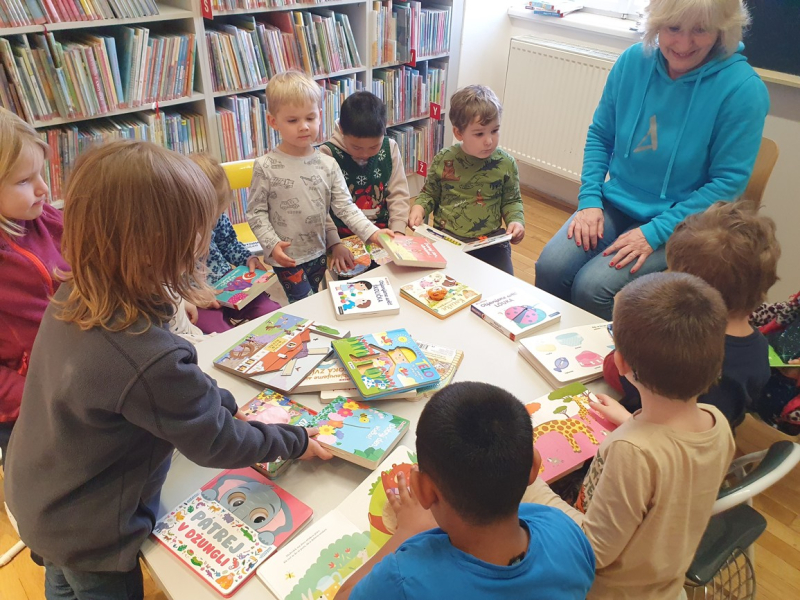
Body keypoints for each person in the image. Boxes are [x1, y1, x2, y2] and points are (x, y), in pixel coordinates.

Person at [4, 140, 332, 600]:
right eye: (197, 232)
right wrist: (294, 441)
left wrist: (223, 402)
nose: (204, 243)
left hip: (39, 497)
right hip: (92, 530)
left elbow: (175, 383)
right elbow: (216, 441)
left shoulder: (78, 291)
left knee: (61, 583)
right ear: (157, 246)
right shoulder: (144, 354)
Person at [535, 0, 769, 320]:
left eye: (700, 30)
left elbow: (727, 184)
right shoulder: (633, 61)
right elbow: (601, 134)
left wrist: (655, 232)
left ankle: (616, 354)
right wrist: (589, 199)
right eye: (673, 28)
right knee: (551, 267)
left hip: (684, 222)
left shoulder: (743, 89)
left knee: (593, 288)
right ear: (657, 24)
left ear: (722, 30)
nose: (683, 44)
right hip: (618, 201)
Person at [525, 272, 735, 600]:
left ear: (619, 361)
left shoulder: (632, 453)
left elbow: (594, 551)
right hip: (662, 583)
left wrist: (532, 487)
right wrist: (629, 420)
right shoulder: (715, 421)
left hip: (601, 590)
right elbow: (672, 464)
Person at [337, 381, 595, 600]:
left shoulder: (402, 580)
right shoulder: (565, 530)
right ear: (534, 467)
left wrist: (408, 532)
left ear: (424, 491)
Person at [603, 201, 780, 428]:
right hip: (713, 436)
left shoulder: (681, 344)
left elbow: (617, 373)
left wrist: (626, 419)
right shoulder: (760, 347)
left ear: (690, 292)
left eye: (670, 273)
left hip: (656, 437)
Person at [247, 71, 388, 303]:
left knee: (314, 300)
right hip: (288, 257)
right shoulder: (265, 166)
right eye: (293, 120)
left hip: (319, 251)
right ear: (273, 121)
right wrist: (271, 245)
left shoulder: (327, 164)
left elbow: (344, 207)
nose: (304, 127)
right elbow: (256, 212)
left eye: (310, 118)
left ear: (320, 117)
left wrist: (371, 232)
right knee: (305, 304)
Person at [0, 107, 68, 466]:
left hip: (72, 372)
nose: (44, 189)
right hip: (26, 406)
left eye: (41, 173)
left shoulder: (46, 217)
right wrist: (38, 398)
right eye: (25, 181)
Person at [407, 85, 525, 275]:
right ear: (458, 133)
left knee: (503, 283)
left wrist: (516, 221)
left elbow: (512, 200)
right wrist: (419, 208)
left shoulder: (506, 163)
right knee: (438, 282)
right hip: (447, 238)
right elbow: (429, 193)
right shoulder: (444, 159)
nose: (489, 141)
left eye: (495, 130)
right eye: (479, 133)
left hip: (490, 242)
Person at [186, 153, 280, 333]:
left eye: (216, 215)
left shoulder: (217, 217)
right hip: (196, 297)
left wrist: (248, 258)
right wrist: (190, 296)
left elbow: (228, 243)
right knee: (218, 334)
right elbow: (163, 284)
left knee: (269, 312)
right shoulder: (170, 236)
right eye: (207, 219)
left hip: (227, 281)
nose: (213, 222)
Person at [320, 91, 410, 275]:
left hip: (384, 232)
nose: (365, 154)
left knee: (398, 276)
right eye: (356, 147)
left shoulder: (390, 147)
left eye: (374, 147)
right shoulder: (327, 154)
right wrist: (334, 243)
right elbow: (322, 208)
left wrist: (398, 231)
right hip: (342, 237)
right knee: (354, 283)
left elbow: (398, 194)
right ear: (341, 130)